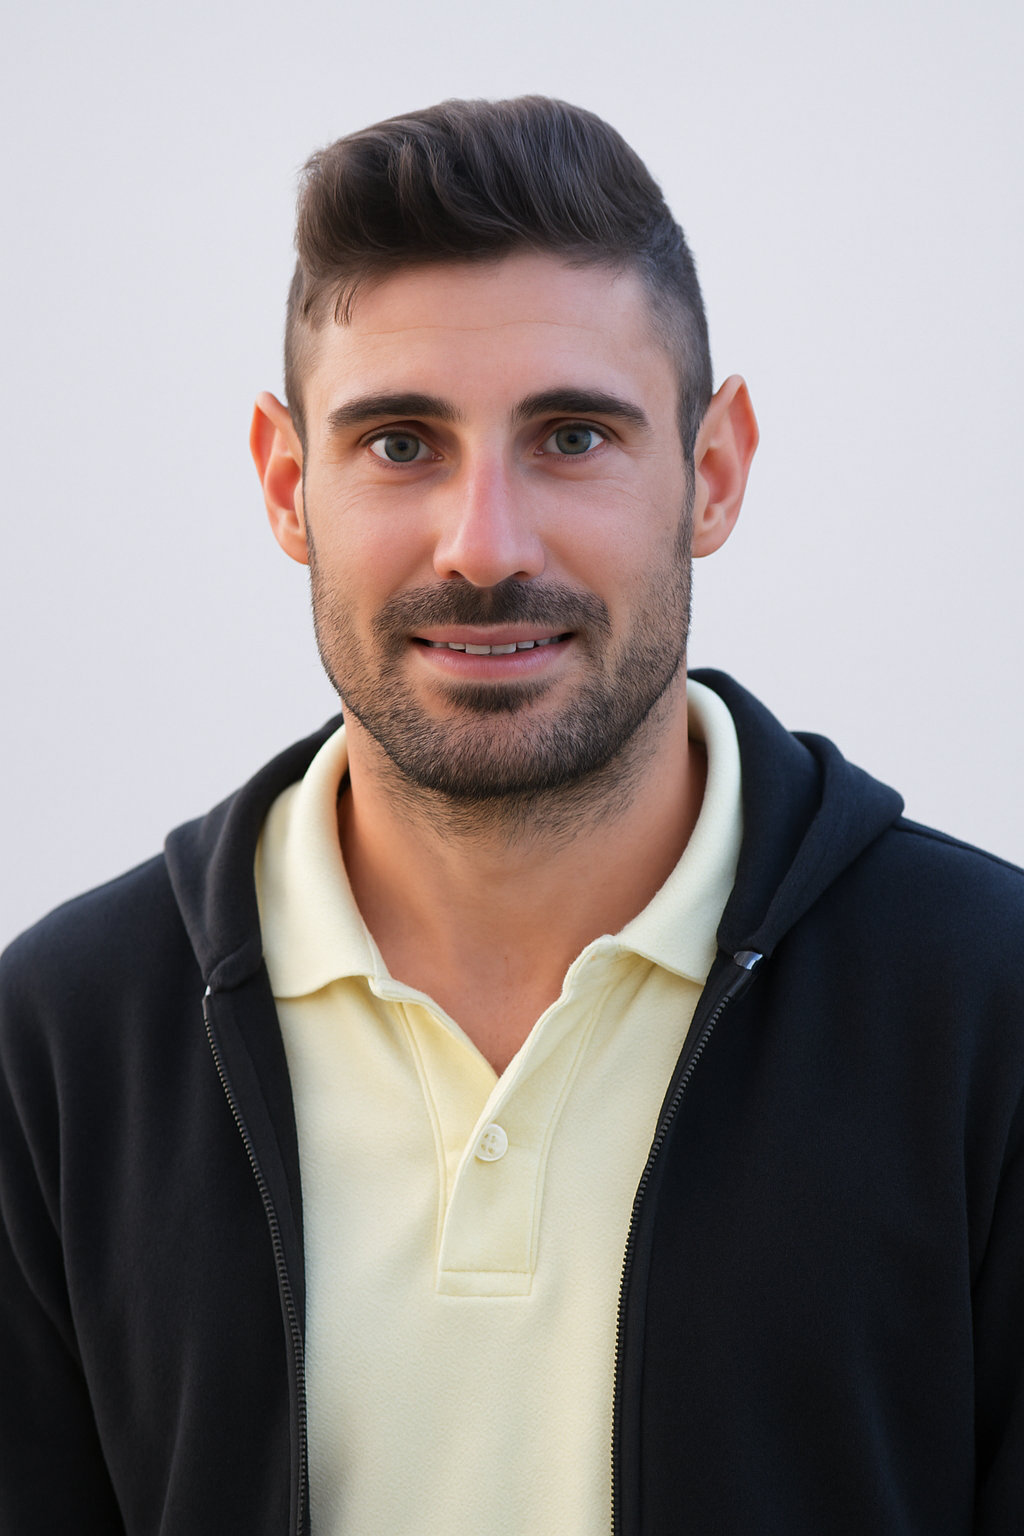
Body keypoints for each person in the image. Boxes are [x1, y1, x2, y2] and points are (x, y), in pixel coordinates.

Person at [1, 95, 1022, 1536]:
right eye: (399, 445)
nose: (485, 546)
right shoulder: (60, 1043)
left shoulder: (990, 1008)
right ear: (289, 485)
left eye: (573, 436)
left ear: (713, 472)